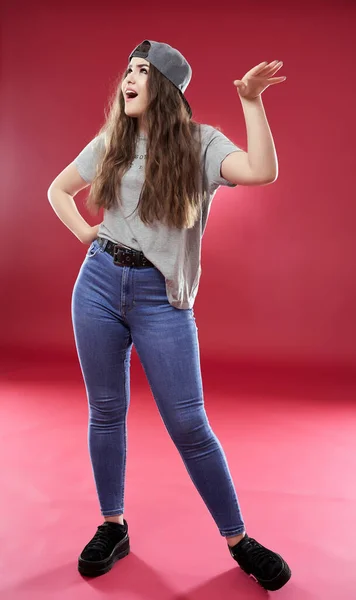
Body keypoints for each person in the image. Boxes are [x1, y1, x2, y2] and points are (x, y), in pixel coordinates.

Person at [48, 39, 290, 590]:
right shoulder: (115, 138)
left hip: (162, 300)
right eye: (127, 69)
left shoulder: (201, 144)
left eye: (142, 72)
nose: (128, 79)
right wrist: (89, 235)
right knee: (106, 410)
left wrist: (251, 101)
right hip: (98, 286)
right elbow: (60, 190)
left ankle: (239, 540)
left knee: (189, 425)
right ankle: (113, 526)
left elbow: (260, 171)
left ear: (167, 87)